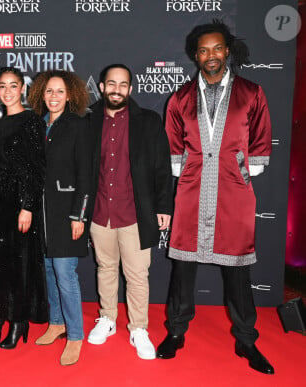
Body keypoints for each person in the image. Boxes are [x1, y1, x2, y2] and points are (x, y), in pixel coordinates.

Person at [157, 20, 274, 375]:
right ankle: (176, 332)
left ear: (228, 50)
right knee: (183, 270)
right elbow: (173, 143)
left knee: (238, 270)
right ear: (195, 54)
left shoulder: (252, 93)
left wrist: (244, 166)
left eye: (217, 48)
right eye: (204, 50)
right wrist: (185, 168)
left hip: (234, 191)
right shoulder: (179, 98)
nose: (211, 56)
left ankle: (246, 339)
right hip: (191, 190)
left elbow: (260, 138)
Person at [86, 64, 173, 360]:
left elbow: (162, 167)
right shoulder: (89, 121)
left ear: (131, 89)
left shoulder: (148, 121)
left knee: (137, 274)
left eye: (123, 85)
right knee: (105, 268)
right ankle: (108, 319)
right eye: (111, 83)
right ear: (101, 87)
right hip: (100, 211)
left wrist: (164, 206)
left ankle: (139, 328)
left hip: (136, 212)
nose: (117, 89)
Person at [0, 67, 48, 357]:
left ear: (23, 89)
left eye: (13, 86)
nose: (7, 91)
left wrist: (27, 206)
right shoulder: (0, 122)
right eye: (2, 86)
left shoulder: (32, 121)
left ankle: (16, 322)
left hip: (19, 201)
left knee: (18, 266)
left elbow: (35, 168)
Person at [27, 70, 91, 366]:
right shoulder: (37, 126)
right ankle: (57, 322)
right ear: (42, 94)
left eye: (60, 92)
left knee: (66, 274)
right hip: (42, 213)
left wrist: (79, 216)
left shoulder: (78, 126)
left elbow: (86, 175)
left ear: (70, 96)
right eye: (49, 91)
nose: (54, 96)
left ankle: (75, 335)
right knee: (49, 271)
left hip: (67, 212)